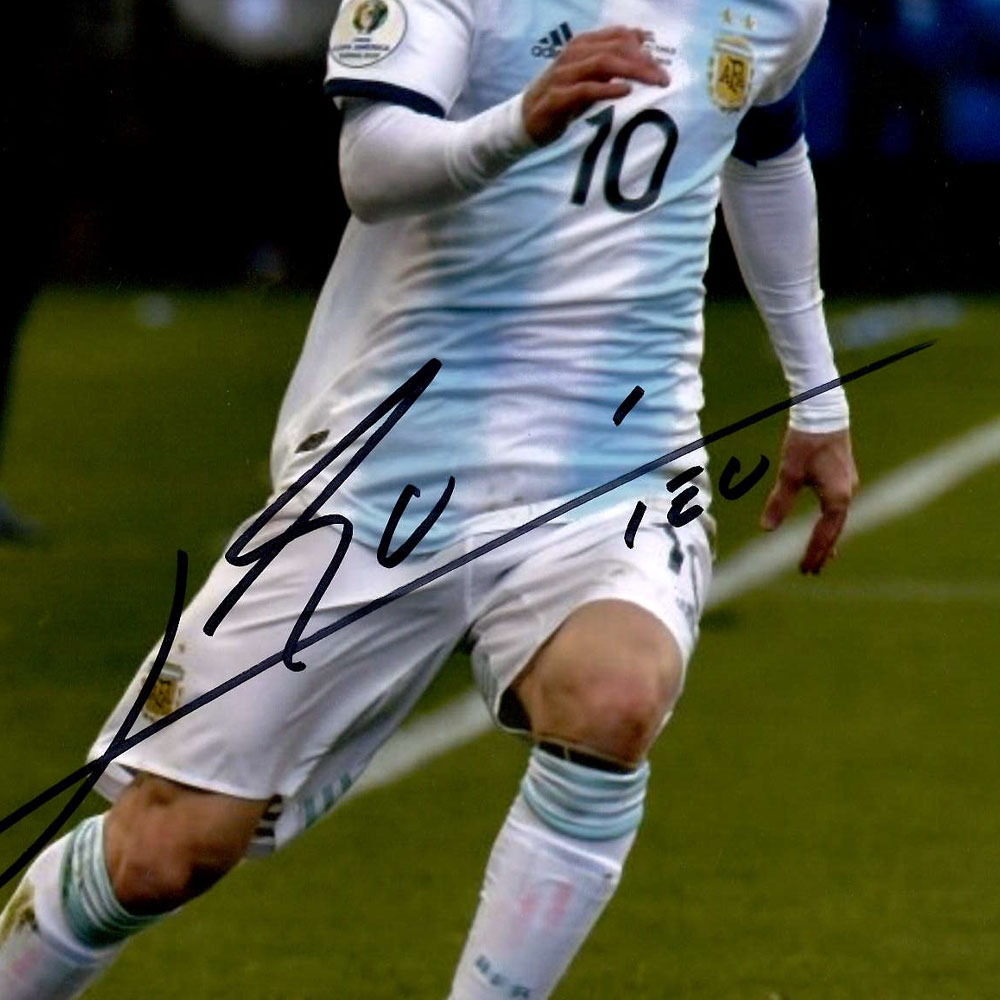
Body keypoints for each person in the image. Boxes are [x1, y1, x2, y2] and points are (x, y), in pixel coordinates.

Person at [0, 0, 858, 996]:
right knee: (165, 849)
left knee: (615, 696)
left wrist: (817, 394)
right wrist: (519, 122)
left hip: (617, 459)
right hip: (386, 461)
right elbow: (372, 166)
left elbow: (767, 145)